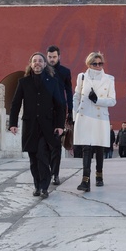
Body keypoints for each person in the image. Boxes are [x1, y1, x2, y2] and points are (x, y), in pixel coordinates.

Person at [9, 52, 65, 199]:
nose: (37, 63)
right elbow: (15, 104)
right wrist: (13, 123)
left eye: (40, 60)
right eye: (34, 61)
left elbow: (59, 105)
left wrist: (60, 125)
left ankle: (44, 187)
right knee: (33, 158)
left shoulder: (52, 82)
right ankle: (37, 185)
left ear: (45, 64)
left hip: (47, 126)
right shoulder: (23, 82)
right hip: (30, 126)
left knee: (42, 156)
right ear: (31, 64)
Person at [73, 51, 116, 191]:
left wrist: (98, 100)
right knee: (86, 148)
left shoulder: (109, 79)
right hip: (84, 115)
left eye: (100, 63)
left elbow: (113, 101)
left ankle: (99, 175)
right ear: (89, 64)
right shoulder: (82, 77)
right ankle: (85, 180)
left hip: (100, 117)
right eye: (94, 63)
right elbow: (76, 96)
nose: (98, 66)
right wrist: (75, 114)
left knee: (99, 147)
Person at [46, 45, 73, 186]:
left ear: (59, 57)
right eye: (49, 57)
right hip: (44, 111)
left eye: (54, 57)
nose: (52, 59)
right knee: (44, 144)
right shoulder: (42, 70)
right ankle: (47, 171)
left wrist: (71, 111)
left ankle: (55, 174)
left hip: (60, 111)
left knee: (56, 143)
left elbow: (69, 92)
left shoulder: (65, 72)